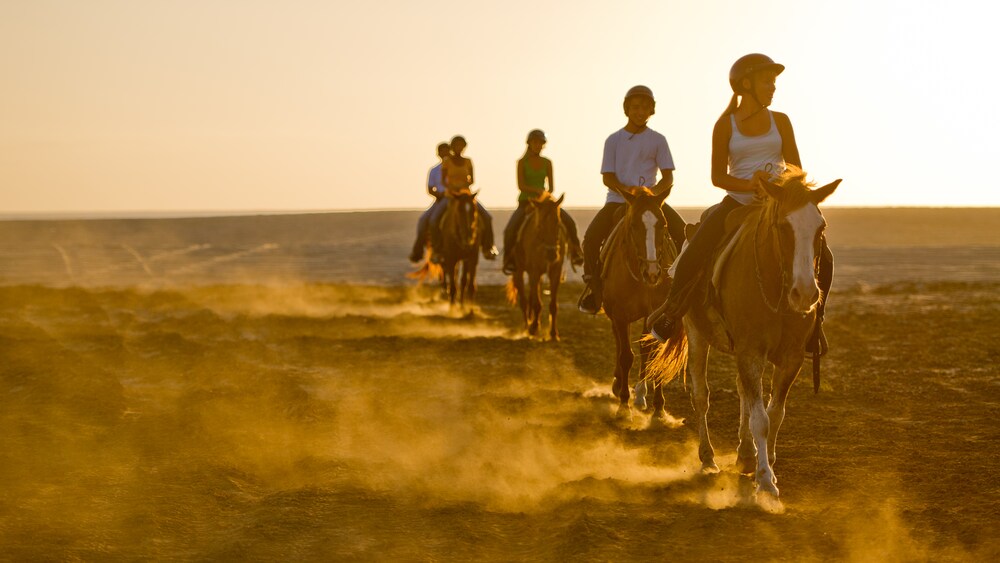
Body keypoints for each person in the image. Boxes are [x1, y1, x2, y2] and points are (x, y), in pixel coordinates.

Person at [649, 53, 834, 355]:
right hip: (737, 202)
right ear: (745, 84)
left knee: (823, 255)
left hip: (777, 204)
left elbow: (796, 170)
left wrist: (777, 188)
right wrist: (750, 184)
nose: (773, 88)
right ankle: (671, 313)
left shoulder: (781, 121)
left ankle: (815, 326)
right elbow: (717, 176)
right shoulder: (725, 125)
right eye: (767, 81)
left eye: (774, 83)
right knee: (695, 252)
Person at [578, 85, 686, 315]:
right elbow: (608, 177)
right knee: (591, 238)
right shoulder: (613, 140)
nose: (640, 111)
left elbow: (668, 177)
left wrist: (652, 195)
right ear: (627, 109)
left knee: (683, 232)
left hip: (652, 202)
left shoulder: (658, 140)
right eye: (636, 107)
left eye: (645, 107)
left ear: (651, 111)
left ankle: (683, 288)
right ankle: (594, 290)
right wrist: (630, 192)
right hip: (619, 201)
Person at [501, 129, 584, 275]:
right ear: (529, 144)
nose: (538, 145)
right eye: (535, 142)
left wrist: (544, 194)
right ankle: (509, 260)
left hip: (545, 203)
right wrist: (536, 191)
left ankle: (576, 252)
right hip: (526, 202)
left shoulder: (547, 162)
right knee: (510, 229)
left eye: (540, 143)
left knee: (570, 222)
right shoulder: (521, 162)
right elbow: (521, 185)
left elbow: (551, 187)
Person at [428, 135, 499, 261]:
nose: (459, 148)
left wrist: (464, 186)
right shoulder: (447, 161)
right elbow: (444, 181)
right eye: (457, 146)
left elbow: (472, 179)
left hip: (466, 195)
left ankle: (488, 247)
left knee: (487, 217)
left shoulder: (468, 161)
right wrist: (453, 188)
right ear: (453, 147)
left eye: (461, 146)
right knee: (434, 219)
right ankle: (437, 250)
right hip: (452, 196)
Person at [409, 142, 452, 263]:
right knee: (425, 220)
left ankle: (487, 246)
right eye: (442, 151)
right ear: (438, 154)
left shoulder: (455, 166)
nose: (444, 154)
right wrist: (438, 194)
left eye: (446, 151)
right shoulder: (434, 170)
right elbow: (430, 188)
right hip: (441, 199)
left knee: (485, 216)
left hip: (457, 197)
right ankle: (421, 250)